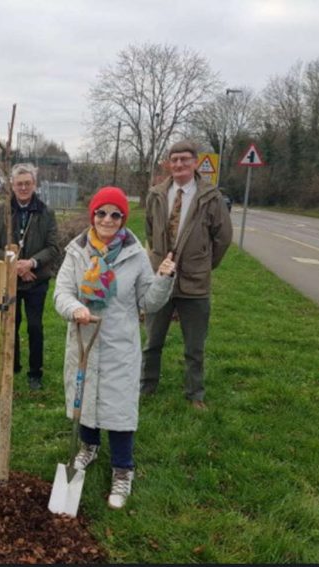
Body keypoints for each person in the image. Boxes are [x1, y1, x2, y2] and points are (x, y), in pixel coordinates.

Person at [54, 186, 176, 509]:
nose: (107, 219)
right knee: (85, 396)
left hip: (119, 342)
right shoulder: (76, 252)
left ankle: (123, 470)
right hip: (84, 338)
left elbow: (147, 301)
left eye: (115, 214)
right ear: (92, 215)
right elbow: (61, 293)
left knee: (119, 407)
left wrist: (163, 279)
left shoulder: (135, 255)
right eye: (101, 212)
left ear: (123, 219)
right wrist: (75, 309)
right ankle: (88, 446)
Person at [141, 140, 233, 410]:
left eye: (184, 159)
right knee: (152, 341)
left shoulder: (211, 197)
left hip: (195, 284)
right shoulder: (156, 194)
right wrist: (159, 259)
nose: (179, 164)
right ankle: (146, 387)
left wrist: (203, 263)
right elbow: (149, 230)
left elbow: (223, 238)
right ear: (168, 163)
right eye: (174, 159)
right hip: (160, 281)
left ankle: (195, 394)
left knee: (194, 346)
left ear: (195, 163)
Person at [0, 163, 60, 390]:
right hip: (10, 281)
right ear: (12, 185)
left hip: (36, 280)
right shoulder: (1, 211)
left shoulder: (46, 212)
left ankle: (35, 373)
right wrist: (16, 266)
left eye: (28, 183)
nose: (24, 187)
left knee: (35, 326)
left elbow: (54, 247)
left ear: (34, 184)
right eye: (19, 184)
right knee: (11, 323)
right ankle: (13, 364)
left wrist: (31, 263)